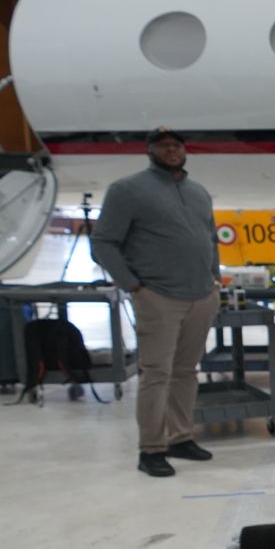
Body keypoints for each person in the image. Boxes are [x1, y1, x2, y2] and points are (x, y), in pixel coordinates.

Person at [91, 127, 220, 478]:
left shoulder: (198, 192)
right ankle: (151, 448)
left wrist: (215, 278)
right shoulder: (127, 190)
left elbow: (210, 237)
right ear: (150, 150)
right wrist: (134, 286)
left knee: (185, 373)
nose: (171, 150)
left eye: (177, 145)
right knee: (156, 375)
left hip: (200, 296)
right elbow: (103, 242)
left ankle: (180, 437)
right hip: (158, 297)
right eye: (163, 146)